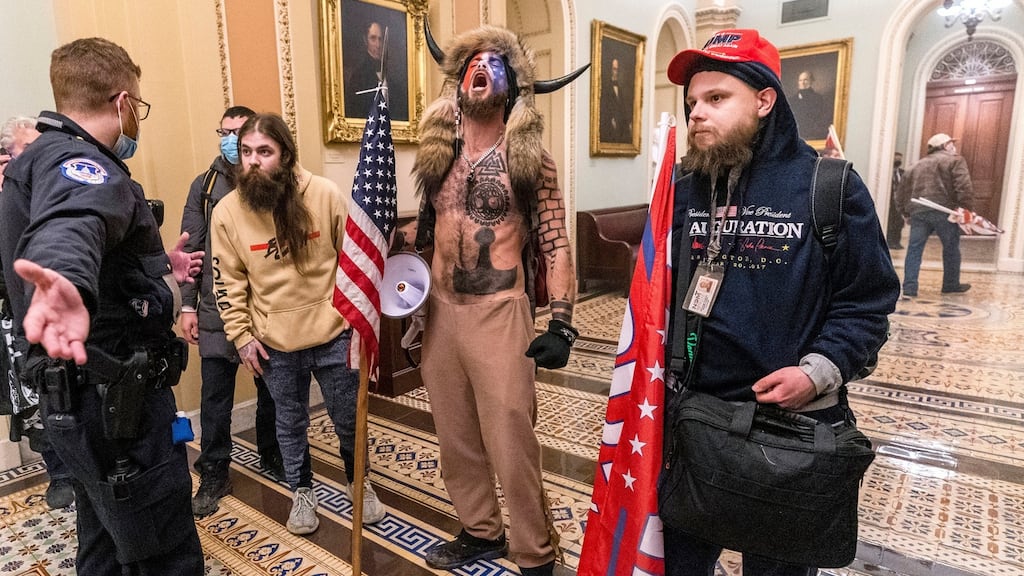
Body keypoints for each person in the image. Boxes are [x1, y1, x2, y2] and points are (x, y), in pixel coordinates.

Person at [662, 29, 898, 575]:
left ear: (764, 100)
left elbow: (868, 302)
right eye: (692, 102)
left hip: (785, 432)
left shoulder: (828, 186)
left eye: (716, 98)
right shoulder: (682, 187)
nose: (697, 113)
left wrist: (815, 374)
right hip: (693, 423)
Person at [0, 37, 204, 574]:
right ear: (122, 102)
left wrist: (158, 267)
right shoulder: (81, 162)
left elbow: (98, 242)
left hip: (82, 400)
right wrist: (63, 279)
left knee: (105, 535)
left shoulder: (38, 155)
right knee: (161, 546)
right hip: (118, 407)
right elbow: (72, 223)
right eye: (137, 105)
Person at [410, 25, 585, 576]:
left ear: (511, 85)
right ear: (460, 81)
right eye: (470, 63)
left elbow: (555, 242)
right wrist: (410, 302)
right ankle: (481, 531)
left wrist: (561, 324)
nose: (479, 68)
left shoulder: (532, 160)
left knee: (510, 439)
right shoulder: (437, 154)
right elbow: (424, 231)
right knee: (455, 436)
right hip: (441, 312)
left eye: (493, 62)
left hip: (500, 313)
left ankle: (534, 551)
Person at [209, 112, 386, 534]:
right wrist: (242, 336)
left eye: (264, 152)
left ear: (285, 155)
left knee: (349, 418)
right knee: (289, 423)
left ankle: (359, 483)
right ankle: (302, 491)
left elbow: (355, 264)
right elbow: (226, 282)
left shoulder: (323, 195)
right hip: (274, 342)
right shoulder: (226, 213)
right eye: (246, 152)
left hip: (333, 333)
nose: (252, 162)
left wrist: (359, 327)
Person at [181, 105, 299, 518]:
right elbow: (190, 250)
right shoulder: (205, 185)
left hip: (265, 308)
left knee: (272, 390)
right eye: (225, 132)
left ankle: (273, 456)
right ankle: (213, 471)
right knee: (215, 397)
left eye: (239, 133)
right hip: (216, 308)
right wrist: (186, 306)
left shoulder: (275, 184)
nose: (232, 141)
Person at [0, 116, 75, 510]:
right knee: (33, 404)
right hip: (14, 323)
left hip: (58, 320)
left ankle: (74, 471)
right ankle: (58, 473)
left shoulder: (55, 193)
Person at [896, 133, 974, 297]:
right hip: (946, 212)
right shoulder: (955, 160)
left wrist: (905, 213)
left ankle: (910, 287)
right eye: (951, 143)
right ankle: (950, 284)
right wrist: (965, 209)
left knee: (914, 249)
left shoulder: (914, 166)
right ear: (945, 146)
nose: (954, 146)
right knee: (951, 248)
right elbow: (964, 186)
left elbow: (901, 193)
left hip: (918, 212)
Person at [345, 20, 408, 121]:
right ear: (365, 40)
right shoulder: (358, 76)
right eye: (373, 39)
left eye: (380, 39)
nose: (378, 45)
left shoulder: (391, 75)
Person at [791, 69, 830, 140]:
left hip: (813, 135)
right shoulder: (791, 100)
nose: (802, 82)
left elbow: (822, 118)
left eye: (805, 80)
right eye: (800, 80)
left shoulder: (818, 98)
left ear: (811, 81)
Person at [600, 57, 632, 143]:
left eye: (617, 70)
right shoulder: (605, 88)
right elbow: (604, 108)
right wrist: (611, 120)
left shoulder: (621, 89)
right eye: (614, 69)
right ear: (610, 70)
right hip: (609, 126)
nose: (616, 73)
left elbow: (622, 108)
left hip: (620, 125)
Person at [887, 151, 906, 249]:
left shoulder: (903, 173)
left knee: (899, 223)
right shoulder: (887, 173)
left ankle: (896, 242)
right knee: (890, 222)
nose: (898, 160)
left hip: (899, 202)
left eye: (900, 159)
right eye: (896, 158)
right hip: (889, 202)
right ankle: (889, 241)